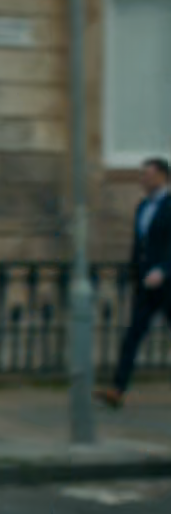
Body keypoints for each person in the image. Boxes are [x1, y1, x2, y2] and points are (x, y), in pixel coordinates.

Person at [96, 157, 171, 409]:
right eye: (142, 175)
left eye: (148, 175)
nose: (143, 179)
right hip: (146, 285)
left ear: (162, 177)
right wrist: (135, 274)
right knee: (132, 336)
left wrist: (164, 270)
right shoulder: (142, 206)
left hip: (167, 284)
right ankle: (117, 389)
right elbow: (139, 245)